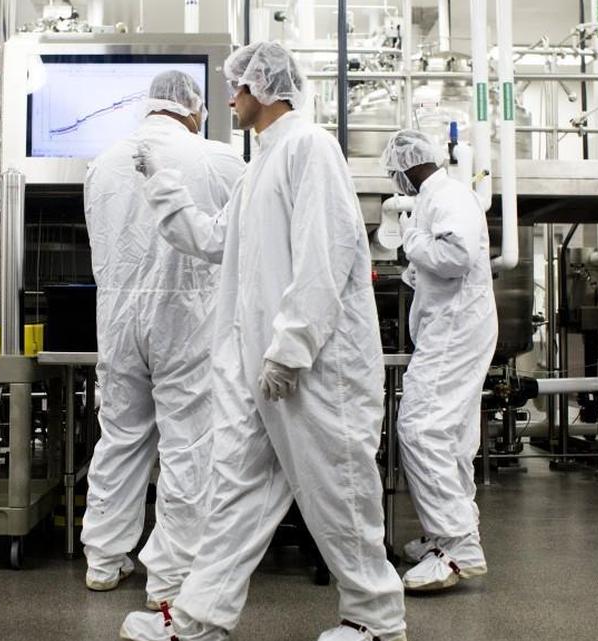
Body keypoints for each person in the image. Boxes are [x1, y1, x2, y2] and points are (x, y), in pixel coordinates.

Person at [121, 42, 406, 641]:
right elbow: (212, 240)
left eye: (237, 87)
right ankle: (199, 620)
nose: (229, 100)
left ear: (264, 88)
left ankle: (376, 621)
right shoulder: (259, 167)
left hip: (315, 369)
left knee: (339, 491)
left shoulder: (310, 147)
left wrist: (292, 347)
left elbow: (325, 254)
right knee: (235, 494)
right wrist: (163, 187)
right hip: (260, 369)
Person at [80, 71, 245, 608]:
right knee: (188, 444)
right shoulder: (217, 159)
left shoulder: (101, 164)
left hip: (117, 318)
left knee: (120, 436)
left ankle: (103, 559)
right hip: (187, 316)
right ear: (193, 109)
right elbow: (242, 235)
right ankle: (171, 577)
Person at [380, 129, 498, 592]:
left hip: (455, 328)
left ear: (407, 166)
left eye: (393, 171)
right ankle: (447, 535)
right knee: (450, 436)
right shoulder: (435, 197)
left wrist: (411, 242)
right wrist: (417, 261)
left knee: (420, 428)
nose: (394, 179)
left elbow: (455, 255)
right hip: (454, 325)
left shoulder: (447, 194)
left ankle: (458, 546)